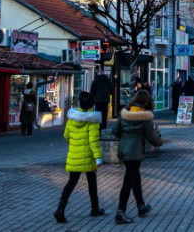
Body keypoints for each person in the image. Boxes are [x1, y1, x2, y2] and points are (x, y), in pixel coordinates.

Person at [112, 89, 164, 224]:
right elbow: (151, 137)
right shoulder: (145, 117)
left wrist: (124, 139)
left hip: (124, 150)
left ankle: (141, 206)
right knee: (128, 183)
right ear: (147, 102)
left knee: (135, 178)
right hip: (135, 152)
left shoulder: (124, 114)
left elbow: (115, 131)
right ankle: (120, 212)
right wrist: (160, 142)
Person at [54, 91, 104, 223]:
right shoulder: (92, 120)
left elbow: (66, 137)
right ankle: (95, 208)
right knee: (92, 182)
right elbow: (94, 141)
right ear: (92, 104)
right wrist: (98, 158)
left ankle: (60, 208)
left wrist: (75, 143)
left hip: (74, 155)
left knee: (71, 182)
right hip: (88, 156)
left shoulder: (72, 118)